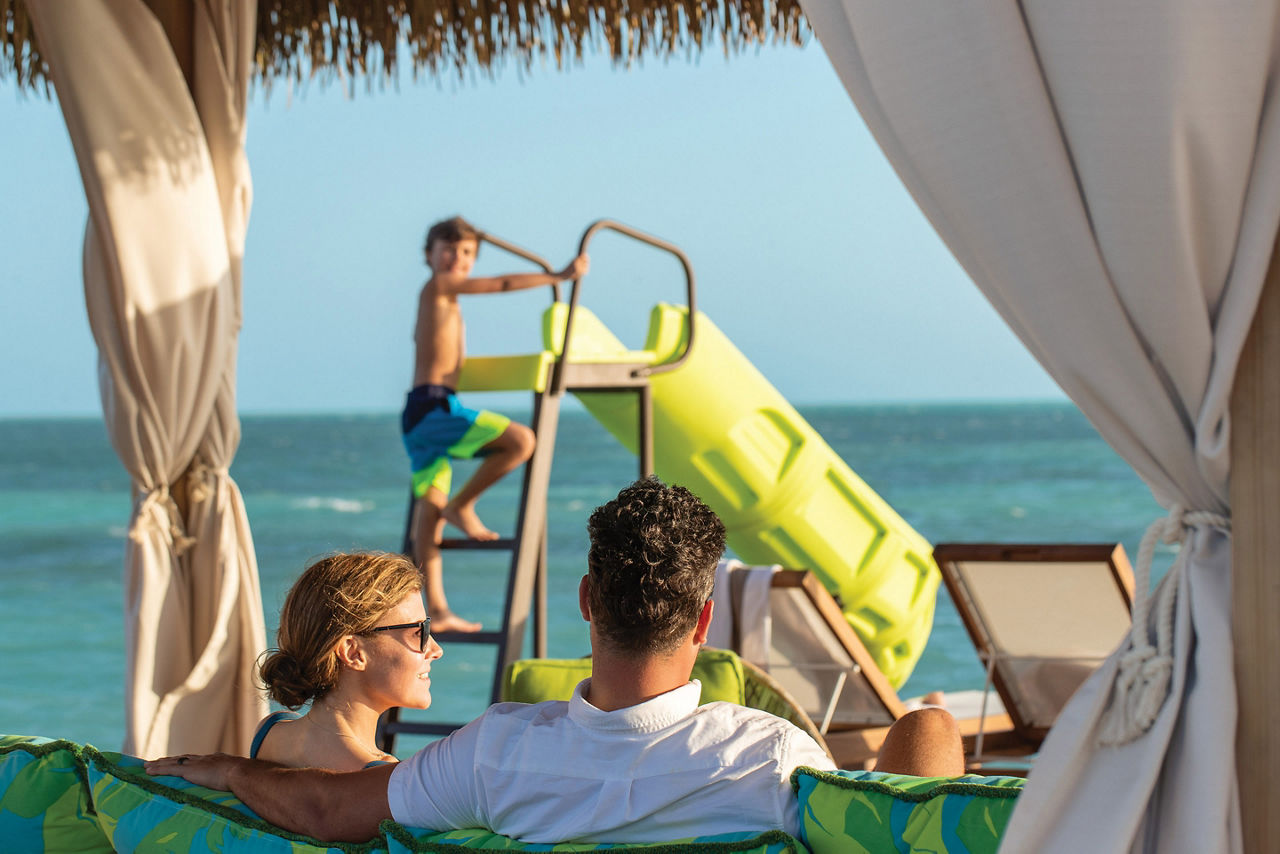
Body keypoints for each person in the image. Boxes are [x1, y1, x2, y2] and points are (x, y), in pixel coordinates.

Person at [147, 479, 964, 844]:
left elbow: (329, 814)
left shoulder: (493, 752)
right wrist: (925, 727)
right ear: (706, 620)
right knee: (927, 725)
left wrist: (229, 771)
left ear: (584, 601)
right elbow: (890, 824)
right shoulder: (770, 759)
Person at [404, 215, 589, 633]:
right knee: (521, 440)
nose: (457, 258)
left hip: (423, 413)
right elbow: (500, 284)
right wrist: (558, 276)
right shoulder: (438, 288)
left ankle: (437, 609)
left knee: (428, 518)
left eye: (467, 252)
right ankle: (464, 504)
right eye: (448, 249)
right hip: (434, 408)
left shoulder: (445, 301)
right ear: (428, 255)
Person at [251, 552, 444, 771]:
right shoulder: (383, 778)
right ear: (353, 652)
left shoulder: (270, 733)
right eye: (420, 632)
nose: (436, 650)